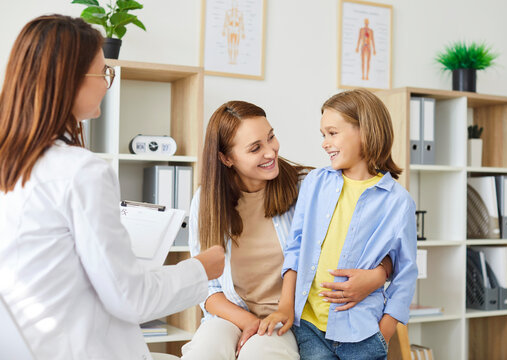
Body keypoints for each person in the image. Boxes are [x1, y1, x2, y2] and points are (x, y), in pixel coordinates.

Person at [0, 15, 224, 360]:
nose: (107, 83)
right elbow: (131, 297)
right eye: (103, 72)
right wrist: (202, 268)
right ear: (70, 80)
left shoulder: (12, 166)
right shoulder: (80, 171)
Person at [181, 101, 393, 360]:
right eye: (255, 148)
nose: (271, 152)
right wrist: (249, 322)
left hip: (287, 318)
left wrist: (378, 274)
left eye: (271, 137)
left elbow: (370, 244)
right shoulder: (206, 201)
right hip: (230, 315)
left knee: (259, 355)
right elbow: (207, 288)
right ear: (226, 158)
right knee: (203, 353)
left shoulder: (309, 186)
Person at [260, 89, 418, 360]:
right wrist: (287, 305)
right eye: (323, 135)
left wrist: (386, 330)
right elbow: (296, 248)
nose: (324, 143)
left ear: (366, 132)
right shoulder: (315, 183)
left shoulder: (397, 201)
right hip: (309, 327)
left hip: (363, 334)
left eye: (332, 133)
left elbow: (405, 272)